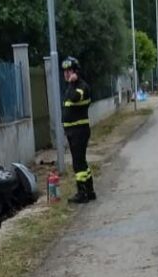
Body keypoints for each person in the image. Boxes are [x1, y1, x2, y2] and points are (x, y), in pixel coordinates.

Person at [61, 56, 96, 204]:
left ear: (76, 71)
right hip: (73, 131)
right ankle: (90, 191)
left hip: (79, 131)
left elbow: (74, 97)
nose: (66, 73)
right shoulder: (73, 86)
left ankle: (82, 193)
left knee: (78, 163)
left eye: (69, 70)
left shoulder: (81, 87)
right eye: (65, 71)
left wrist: (71, 83)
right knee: (81, 162)